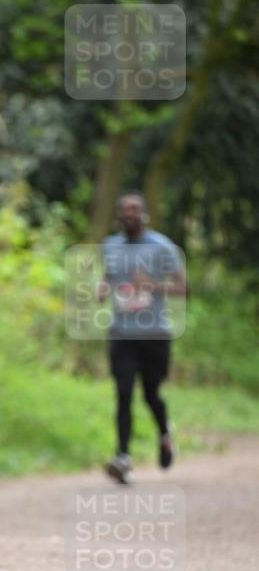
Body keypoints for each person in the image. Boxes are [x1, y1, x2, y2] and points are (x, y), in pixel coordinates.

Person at [99, 192, 186, 484]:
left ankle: (165, 433)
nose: (129, 213)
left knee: (151, 394)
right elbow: (109, 277)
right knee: (123, 392)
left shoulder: (162, 247)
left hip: (155, 333)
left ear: (144, 213)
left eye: (135, 209)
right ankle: (123, 457)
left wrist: (153, 285)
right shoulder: (109, 246)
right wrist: (101, 288)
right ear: (118, 214)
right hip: (122, 333)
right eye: (124, 209)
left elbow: (183, 288)